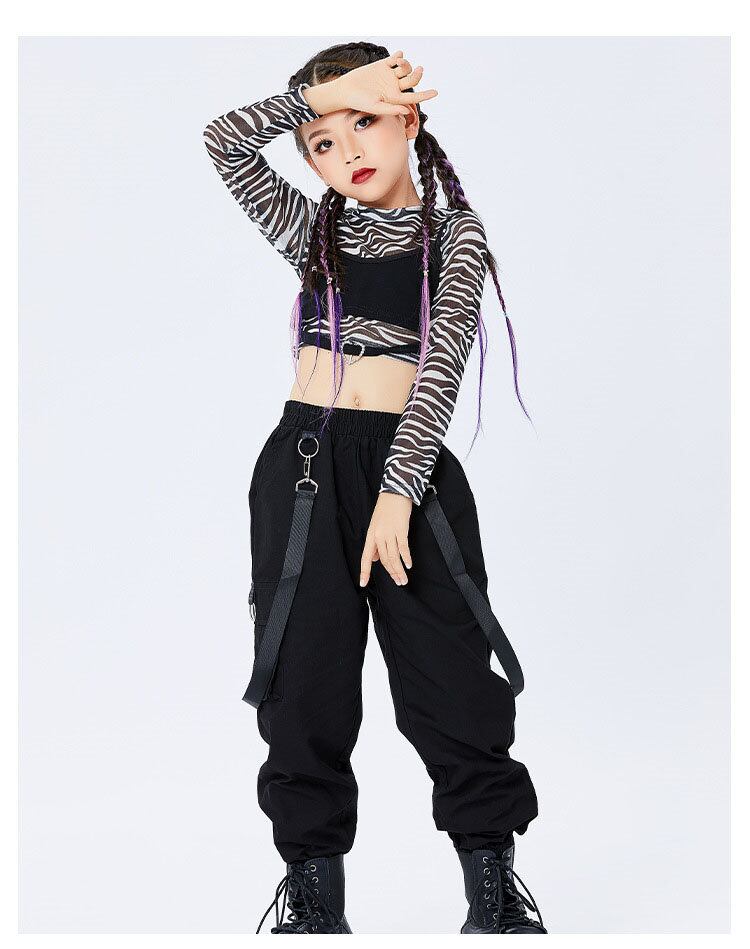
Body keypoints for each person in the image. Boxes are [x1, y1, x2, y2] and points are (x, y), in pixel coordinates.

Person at [203, 41, 547, 935]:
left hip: (412, 474)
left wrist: (397, 493)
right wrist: (332, 92)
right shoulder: (314, 233)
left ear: (408, 117)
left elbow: (441, 369)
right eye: (322, 140)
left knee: (451, 683)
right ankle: (314, 903)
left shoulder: (452, 235)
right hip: (304, 472)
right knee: (304, 684)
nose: (346, 148)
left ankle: (494, 895)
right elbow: (223, 140)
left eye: (365, 119)